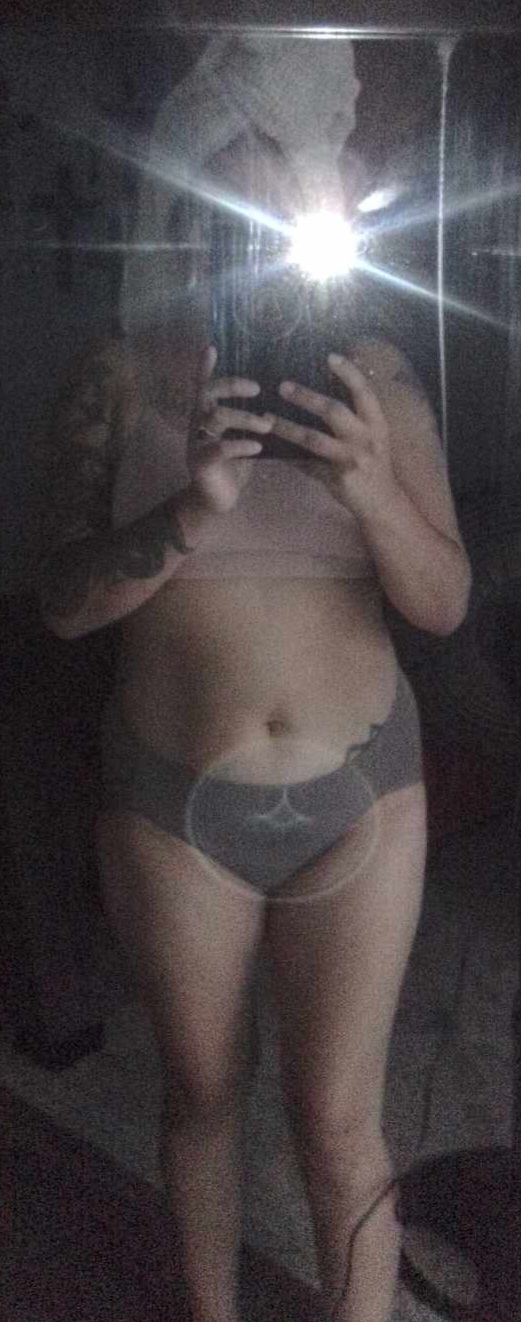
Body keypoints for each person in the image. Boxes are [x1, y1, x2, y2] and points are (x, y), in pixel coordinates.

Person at [39, 33, 472, 1322]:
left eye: (289, 203)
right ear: (186, 206)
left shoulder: (377, 377)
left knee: (341, 1123)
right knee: (202, 1100)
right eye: (233, 199)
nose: (261, 226)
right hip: (173, 809)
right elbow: (61, 604)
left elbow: (443, 600)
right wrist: (193, 507)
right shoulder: (116, 376)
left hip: (363, 794)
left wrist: (372, 490)